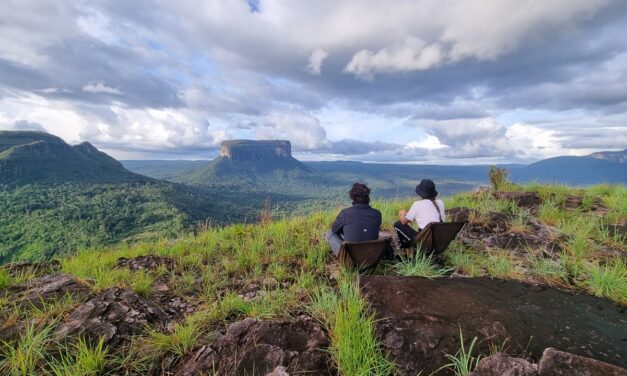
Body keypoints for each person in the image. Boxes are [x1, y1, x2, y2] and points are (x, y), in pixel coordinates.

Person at [325, 183, 382, 256]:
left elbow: (334, 229)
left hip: (349, 260)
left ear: (352, 198)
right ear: (368, 196)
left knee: (330, 233)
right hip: (372, 258)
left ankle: (341, 255)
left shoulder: (345, 213)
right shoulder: (377, 214)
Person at [394, 179, 445, 249]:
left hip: (425, 242)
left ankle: (406, 250)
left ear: (421, 193)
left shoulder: (417, 204)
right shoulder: (440, 203)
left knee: (398, 224)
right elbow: (427, 215)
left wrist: (402, 214)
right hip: (440, 241)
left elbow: (403, 221)